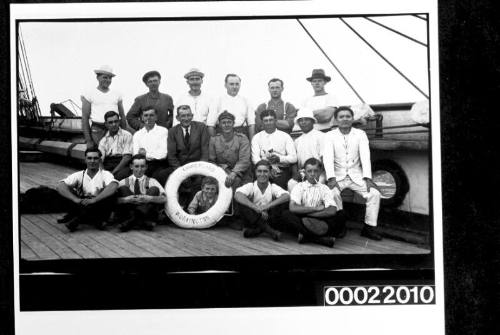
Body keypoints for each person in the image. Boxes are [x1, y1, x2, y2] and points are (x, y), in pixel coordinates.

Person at [322, 106, 382, 240]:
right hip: (337, 176)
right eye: (341, 117)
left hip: (357, 175)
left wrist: (367, 178)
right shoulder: (329, 135)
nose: (345, 119)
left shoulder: (360, 134)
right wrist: (331, 178)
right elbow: (327, 157)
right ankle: (340, 225)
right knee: (332, 193)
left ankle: (369, 228)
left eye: (348, 116)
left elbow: (365, 156)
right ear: (336, 120)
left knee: (374, 193)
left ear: (352, 118)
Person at [282, 158, 344, 248]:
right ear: (305, 172)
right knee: (286, 214)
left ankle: (306, 236)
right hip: (303, 218)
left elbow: (332, 210)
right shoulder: (299, 186)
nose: (312, 174)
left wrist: (310, 216)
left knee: (341, 214)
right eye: (309, 171)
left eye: (316, 171)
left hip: (319, 218)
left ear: (320, 172)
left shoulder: (324, 188)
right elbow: (293, 207)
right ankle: (320, 238)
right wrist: (314, 209)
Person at [56, 148, 118, 232]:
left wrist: (95, 200)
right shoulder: (79, 175)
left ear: (100, 160)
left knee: (112, 195)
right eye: (89, 158)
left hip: (99, 206)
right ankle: (96, 221)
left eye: (95, 158)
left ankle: (78, 219)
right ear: (85, 159)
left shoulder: (105, 174)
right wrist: (75, 199)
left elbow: (113, 186)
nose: (92, 161)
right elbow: (60, 185)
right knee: (63, 192)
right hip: (82, 204)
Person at [234, 160, 290, 241]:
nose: (262, 174)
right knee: (242, 203)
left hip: (269, 219)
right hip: (252, 220)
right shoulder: (251, 186)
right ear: (255, 173)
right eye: (259, 171)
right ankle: (271, 232)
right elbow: (237, 195)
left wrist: (266, 207)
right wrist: (255, 208)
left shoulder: (273, 187)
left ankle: (258, 230)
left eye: (265, 171)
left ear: (270, 173)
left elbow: (286, 196)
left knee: (282, 203)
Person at [167, 105, 210, 206]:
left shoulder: (201, 127)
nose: (186, 118)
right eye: (183, 116)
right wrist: (181, 173)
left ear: (192, 116)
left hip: (198, 167)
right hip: (181, 167)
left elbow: (205, 151)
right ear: (177, 118)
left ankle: (191, 209)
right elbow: (172, 156)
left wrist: (200, 170)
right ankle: (174, 207)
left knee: (199, 181)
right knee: (165, 176)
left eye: (188, 115)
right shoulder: (172, 131)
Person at [116, 154, 167, 232]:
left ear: (146, 167)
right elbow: (113, 200)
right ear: (131, 167)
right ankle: (139, 220)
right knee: (123, 189)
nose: (139, 169)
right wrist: (126, 199)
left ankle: (132, 220)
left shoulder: (152, 181)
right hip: (131, 211)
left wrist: (150, 198)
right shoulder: (123, 182)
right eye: (136, 166)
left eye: (142, 166)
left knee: (154, 189)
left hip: (146, 213)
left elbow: (164, 198)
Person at [81, 65, 126, 149]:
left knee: (115, 154)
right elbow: (85, 118)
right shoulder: (89, 93)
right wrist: (89, 140)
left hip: (115, 129)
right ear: (97, 77)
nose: (108, 80)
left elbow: (122, 116)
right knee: (100, 154)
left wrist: (125, 134)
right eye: (105, 77)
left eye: (110, 78)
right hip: (98, 130)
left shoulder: (117, 94)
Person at [251, 109, 297, 189]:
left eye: (271, 120)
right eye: (266, 120)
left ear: (275, 120)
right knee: (257, 187)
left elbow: (294, 158)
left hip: (281, 169)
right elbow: (255, 159)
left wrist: (279, 158)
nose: (268, 123)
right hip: (263, 170)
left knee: (279, 184)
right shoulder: (257, 137)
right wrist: (267, 169)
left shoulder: (285, 136)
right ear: (262, 122)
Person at [208, 111, 251, 190]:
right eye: (223, 123)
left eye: (229, 122)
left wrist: (234, 173)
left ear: (233, 123)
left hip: (241, 171)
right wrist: (223, 169)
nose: (226, 125)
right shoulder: (214, 140)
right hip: (221, 170)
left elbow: (244, 160)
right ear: (220, 125)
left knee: (241, 184)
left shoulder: (242, 138)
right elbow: (212, 160)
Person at [206, 74, 255, 140]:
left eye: (237, 84)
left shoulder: (246, 101)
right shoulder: (217, 101)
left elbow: (251, 124)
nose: (234, 87)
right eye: (231, 84)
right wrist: (215, 142)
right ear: (225, 85)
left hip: (240, 135)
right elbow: (210, 125)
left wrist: (252, 144)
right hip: (222, 136)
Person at [287, 107, 326, 191]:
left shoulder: (322, 136)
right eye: (301, 120)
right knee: (291, 184)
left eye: (306, 119)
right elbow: (295, 161)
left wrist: (316, 173)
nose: (303, 122)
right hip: (303, 172)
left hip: (318, 171)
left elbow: (324, 159)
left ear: (312, 121)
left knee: (316, 187)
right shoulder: (297, 141)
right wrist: (296, 174)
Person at [132, 106, 169, 185]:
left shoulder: (163, 131)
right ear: (142, 118)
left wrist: (146, 154)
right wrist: (152, 154)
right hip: (142, 164)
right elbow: (136, 154)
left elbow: (163, 154)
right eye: (146, 115)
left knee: (158, 177)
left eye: (151, 115)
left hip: (159, 164)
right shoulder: (137, 135)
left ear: (156, 117)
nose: (148, 118)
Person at [98, 111, 133, 180]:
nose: (114, 124)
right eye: (110, 122)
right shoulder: (103, 140)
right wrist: (103, 173)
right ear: (106, 124)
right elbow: (99, 160)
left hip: (122, 164)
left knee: (117, 177)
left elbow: (127, 158)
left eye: (116, 121)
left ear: (119, 122)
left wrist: (112, 173)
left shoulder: (127, 135)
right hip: (108, 163)